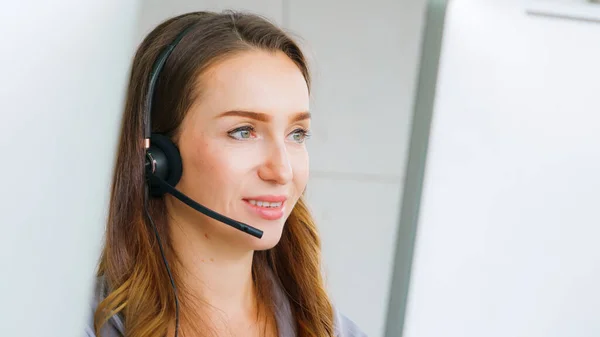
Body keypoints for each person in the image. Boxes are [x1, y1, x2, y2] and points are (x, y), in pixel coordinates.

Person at [86, 10, 366, 337]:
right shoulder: (75, 323)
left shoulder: (330, 329)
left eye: (297, 134)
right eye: (243, 132)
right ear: (156, 158)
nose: (282, 171)